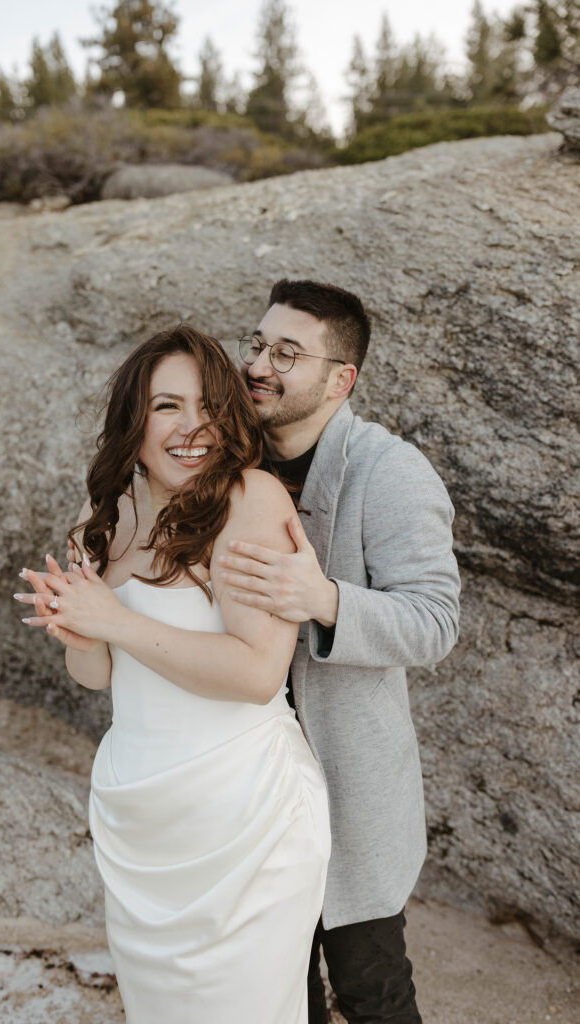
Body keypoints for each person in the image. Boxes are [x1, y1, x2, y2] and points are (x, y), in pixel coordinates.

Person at [14, 325, 330, 1024]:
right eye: (166, 407)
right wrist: (77, 628)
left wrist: (115, 620)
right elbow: (94, 676)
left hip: (246, 817)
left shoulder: (250, 500)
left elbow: (255, 673)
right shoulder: (100, 517)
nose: (193, 428)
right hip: (143, 819)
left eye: (209, 405)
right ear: (134, 419)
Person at [214, 279, 461, 1024]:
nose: (259, 363)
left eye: (287, 353)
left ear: (339, 378)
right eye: (256, 344)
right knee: (274, 994)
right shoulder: (222, 458)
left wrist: (323, 599)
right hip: (246, 789)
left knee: (372, 993)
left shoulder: (389, 471)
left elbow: (434, 621)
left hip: (347, 794)